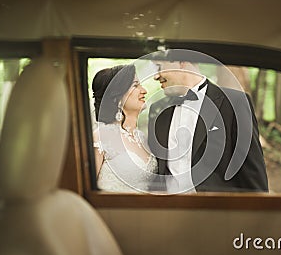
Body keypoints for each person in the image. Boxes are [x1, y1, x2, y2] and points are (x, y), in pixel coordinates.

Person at [147, 50, 268, 193]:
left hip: (215, 211)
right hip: (166, 210)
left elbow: (253, 173)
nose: (155, 76)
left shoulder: (235, 103)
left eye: (159, 67)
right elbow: (157, 170)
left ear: (182, 63)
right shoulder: (158, 110)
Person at [92, 65, 158, 193]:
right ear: (117, 97)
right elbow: (87, 189)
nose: (144, 90)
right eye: (135, 85)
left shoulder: (142, 138)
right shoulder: (101, 137)